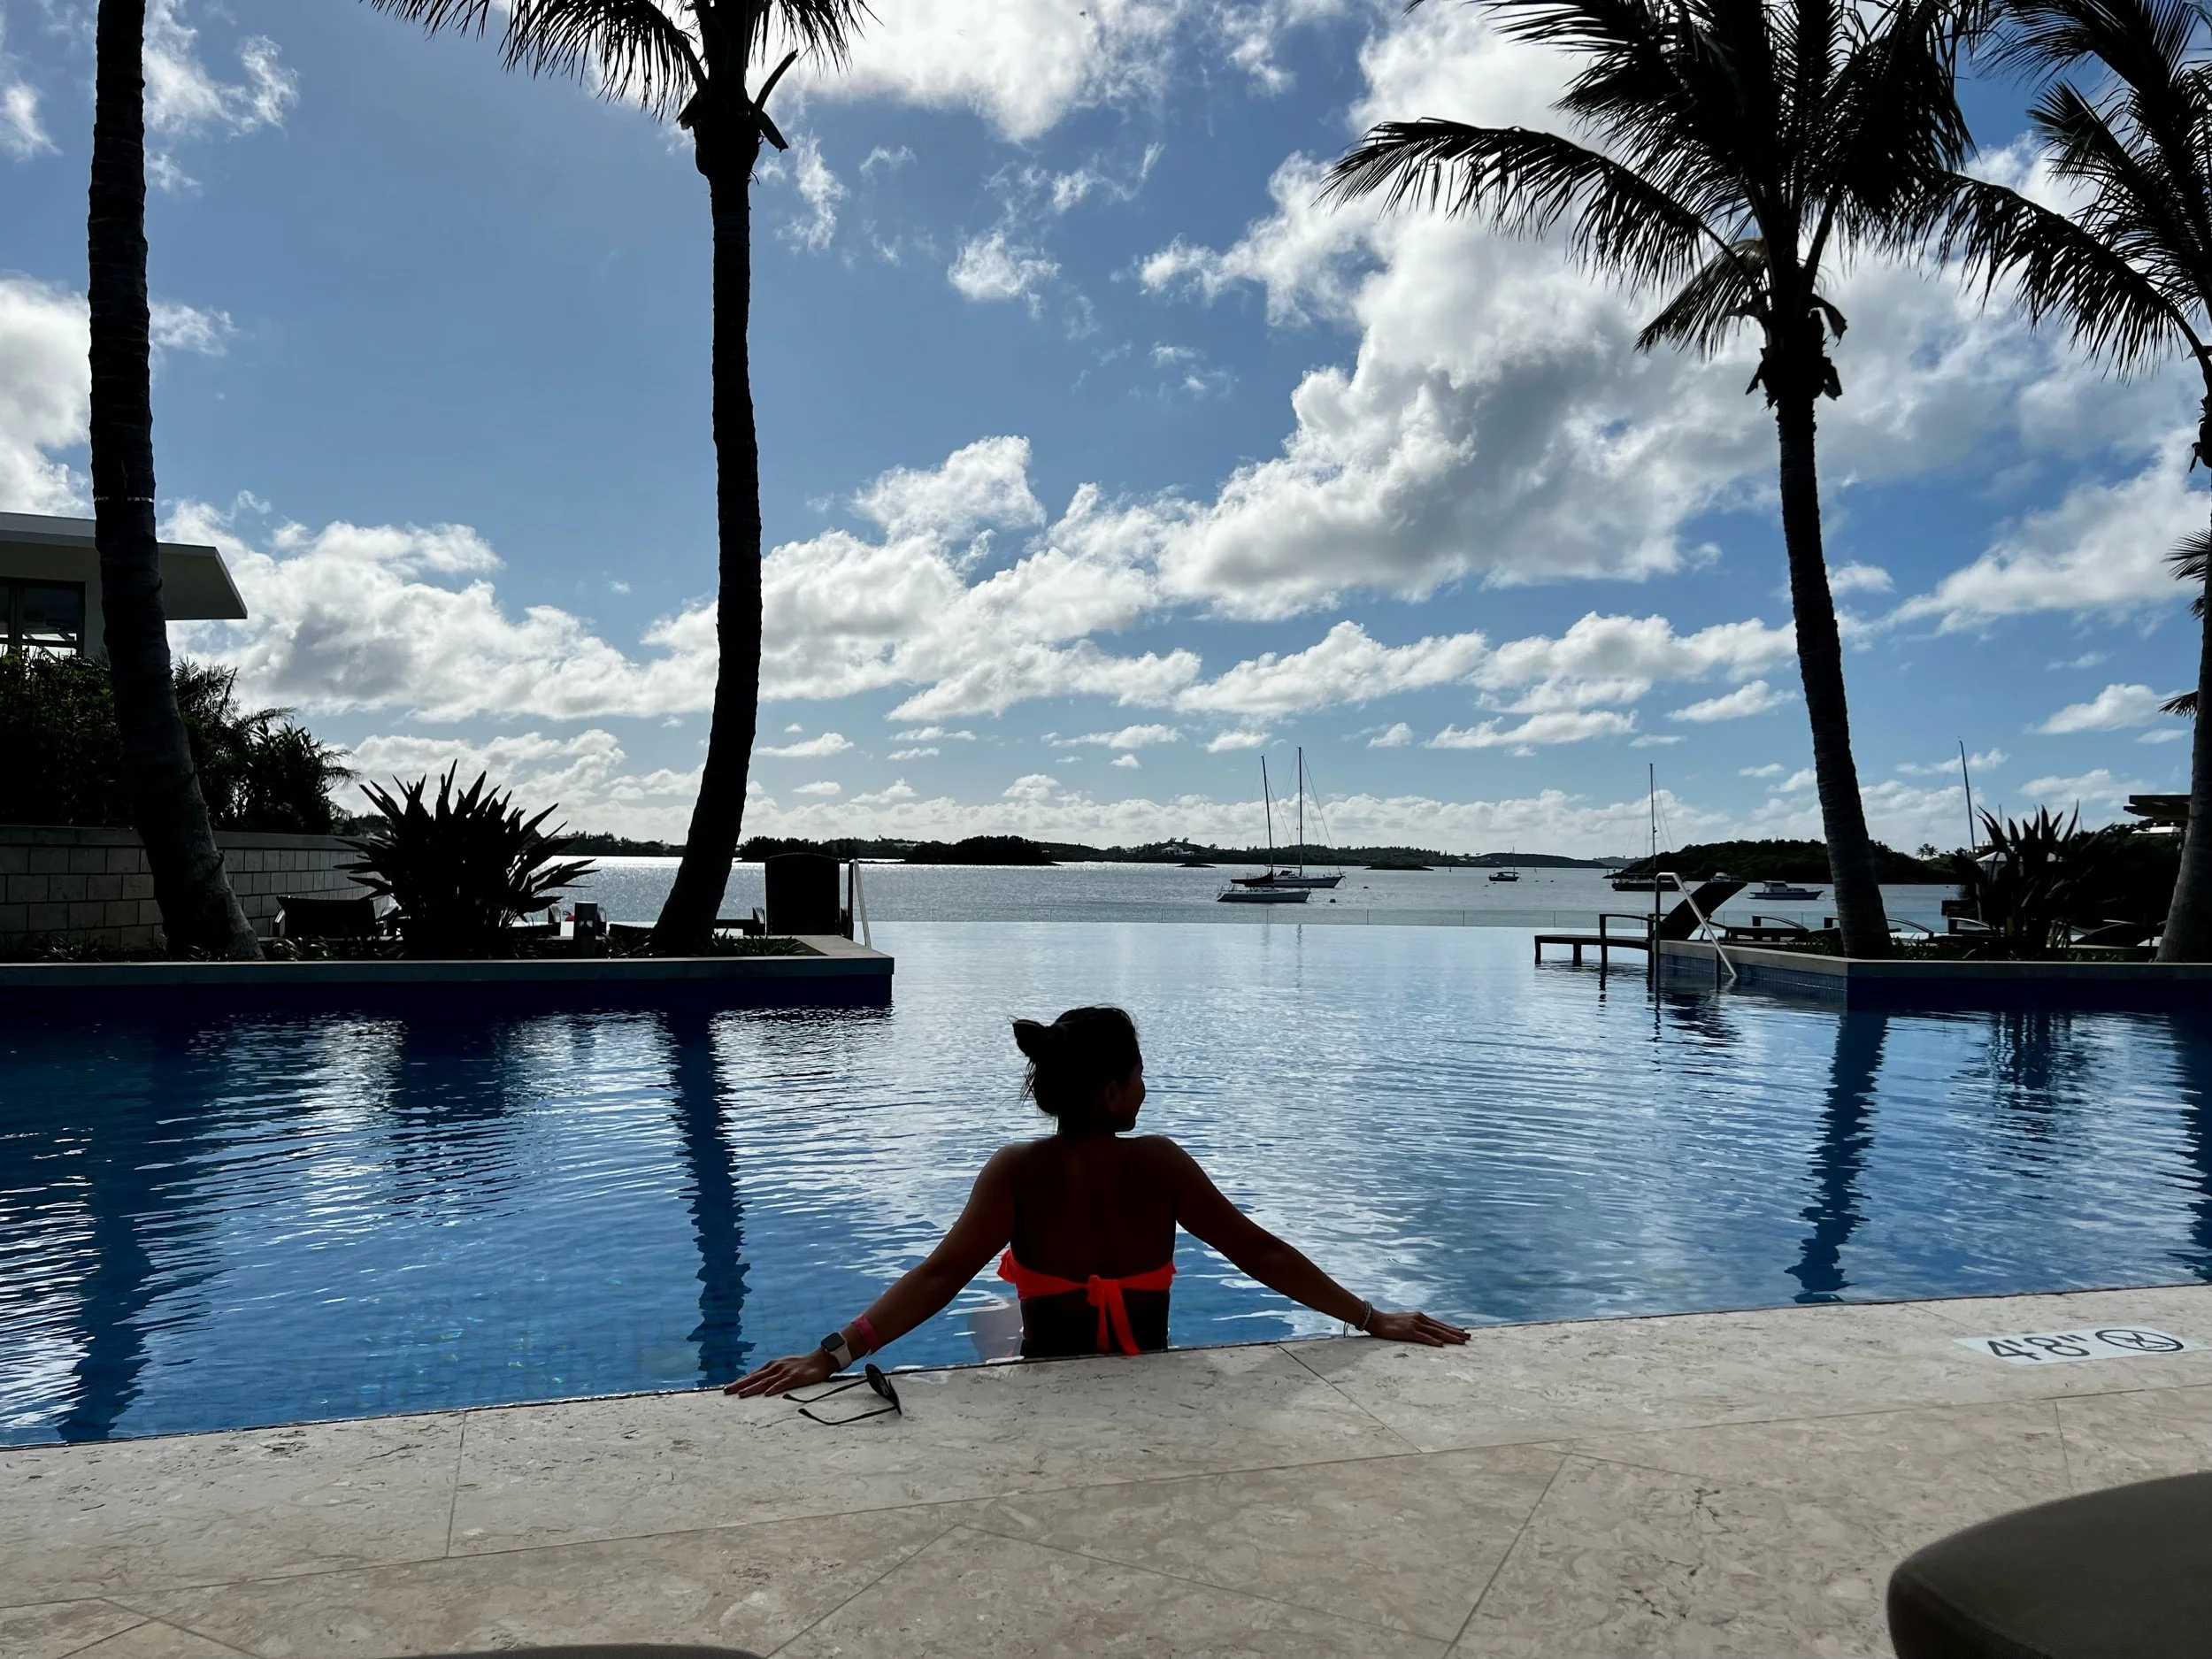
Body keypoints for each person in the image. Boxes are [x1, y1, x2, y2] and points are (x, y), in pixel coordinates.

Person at [727, 1004, 1468, 1399]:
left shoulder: (1015, 1170)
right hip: (1151, 1382)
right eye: (1139, 1075)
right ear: (1112, 1089)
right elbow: (1261, 1251)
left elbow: (936, 1277)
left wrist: (834, 1353)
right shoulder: (1160, 1163)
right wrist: (1371, 1318)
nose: (1146, 1089)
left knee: (990, 1319)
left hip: (1049, 1390)